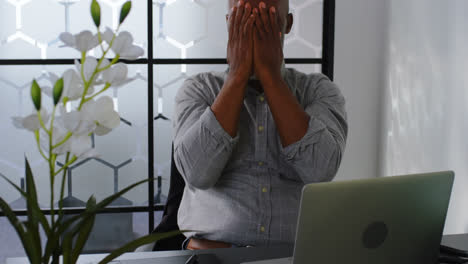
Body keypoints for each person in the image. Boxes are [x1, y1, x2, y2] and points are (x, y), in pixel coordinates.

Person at [173, 0, 348, 249]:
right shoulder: (199, 90)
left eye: (267, 19)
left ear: (287, 24)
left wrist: (271, 77)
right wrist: (236, 76)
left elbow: (320, 171)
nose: (256, 30)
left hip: (294, 255)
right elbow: (197, 174)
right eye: (244, 19)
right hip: (213, 256)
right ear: (229, 24)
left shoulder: (318, 91)